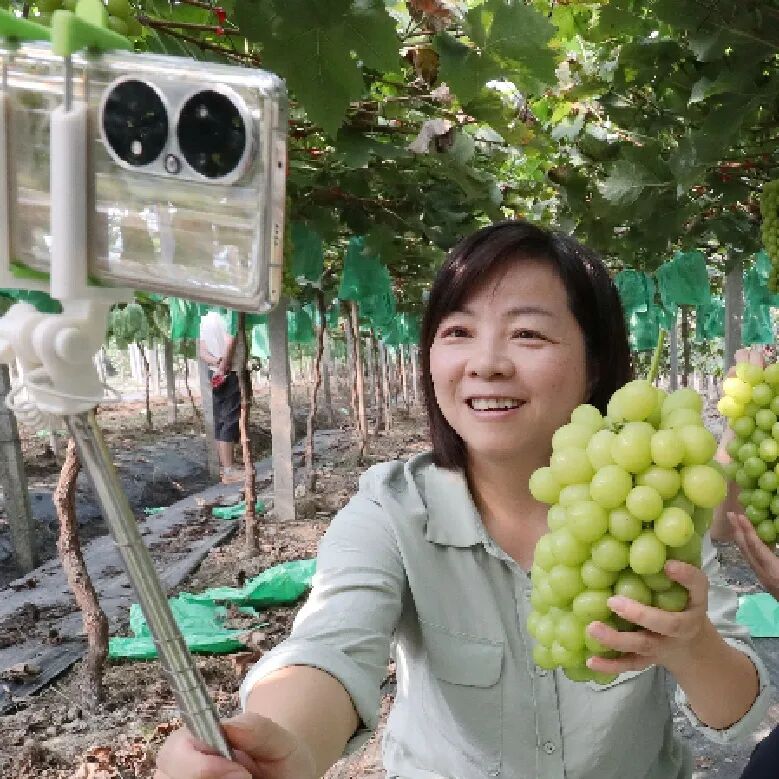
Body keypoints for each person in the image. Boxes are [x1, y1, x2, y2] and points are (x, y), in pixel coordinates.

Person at [156, 221, 771, 779]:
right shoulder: (394, 509)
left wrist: (692, 646)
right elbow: (328, 647)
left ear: (594, 364)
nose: (487, 363)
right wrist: (282, 743)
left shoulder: (647, 506)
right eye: (458, 332)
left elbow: (739, 716)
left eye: (528, 333)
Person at [199, 310, 244, 485]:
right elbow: (230, 342)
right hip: (230, 373)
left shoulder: (205, 318)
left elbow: (202, 352)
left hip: (214, 373)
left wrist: (217, 365)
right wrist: (224, 366)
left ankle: (226, 469)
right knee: (230, 419)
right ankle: (229, 471)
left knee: (220, 420)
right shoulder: (229, 315)